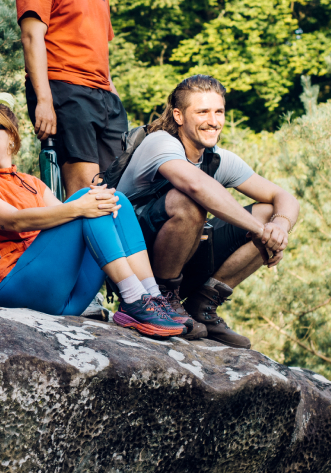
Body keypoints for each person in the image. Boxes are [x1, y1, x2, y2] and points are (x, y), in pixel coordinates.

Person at [0, 95, 185, 339]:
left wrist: (85, 204)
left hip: (65, 296)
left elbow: (69, 220)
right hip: (15, 288)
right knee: (89, 200)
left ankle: (151, 297)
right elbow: (13, 221)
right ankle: (134, 297)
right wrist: (82, 205)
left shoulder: (32, 183)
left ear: (11, 135)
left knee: (117, 202)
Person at [116, 75, 300, 348]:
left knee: (269, 212)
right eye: (202, 112)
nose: (213, 121)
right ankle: (163, 298)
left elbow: (283, 197)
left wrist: (279, 228)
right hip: (135, 265)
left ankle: (203, 305)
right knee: (188, 200)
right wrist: (260, 232)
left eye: (219, 111)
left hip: (183, 255)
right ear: (178, 116)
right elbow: (195, 185)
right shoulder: (160, 143)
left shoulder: (216, 158)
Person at [16, 0, 125, 193]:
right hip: (66, 91)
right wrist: (44, 101)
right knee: (87, 192)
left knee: (118, 187)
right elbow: (31, 37)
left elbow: (100, 49)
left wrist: (113, 96)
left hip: (104, 97)